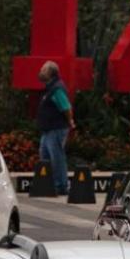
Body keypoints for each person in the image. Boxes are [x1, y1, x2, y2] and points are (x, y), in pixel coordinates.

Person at [36, 61, 75, 195]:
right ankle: (50, 184)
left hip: (56, 129)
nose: (40, 72)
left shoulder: (56, 88)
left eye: (43, 70)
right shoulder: (49, 88)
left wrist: (70, 121)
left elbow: (66, 107)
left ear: (50, 73)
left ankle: (61, 185)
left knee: (56, 157)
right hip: (48, 130)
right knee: (45, 157)